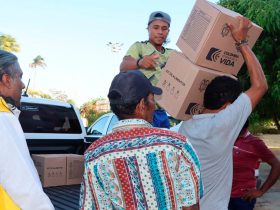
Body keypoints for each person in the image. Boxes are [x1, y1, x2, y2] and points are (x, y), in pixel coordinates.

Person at [178, 16, 268, 210]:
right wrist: (241, 41)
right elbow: (260, 85)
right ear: (228, 106)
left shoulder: (182, 128)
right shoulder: (223, 124)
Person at [79, 70, 202, 210]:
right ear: (142, 105)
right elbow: (190, 206)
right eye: (152, 98)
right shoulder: (177, 146)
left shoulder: (94, 155)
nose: (154, 105)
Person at [0, 50, 54, 210]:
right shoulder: (3, 119)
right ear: (6, 79)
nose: (23, 85)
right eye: (20, 76)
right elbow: (24, 187)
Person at [120, 11, 173, 129]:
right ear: (148, 28)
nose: (160, 32)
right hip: (142, 112)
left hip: (162, 112)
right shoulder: (139, 47)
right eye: (156, 27)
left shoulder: (172, 54)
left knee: (162, 146)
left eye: (164, 29)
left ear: (168, 31)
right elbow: (123, 66)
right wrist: (140, 62)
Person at [229, 120, 280, 210]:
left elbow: (277, 165)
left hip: (241, 199)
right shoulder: (224, 139)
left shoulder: (255, 143)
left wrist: (261, 191)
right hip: (220, 196)